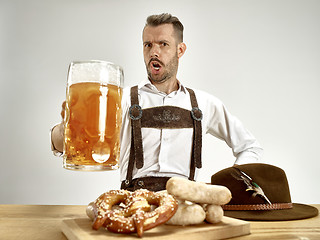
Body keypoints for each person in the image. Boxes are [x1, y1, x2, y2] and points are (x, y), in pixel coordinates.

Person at [51, 13, 263, 192]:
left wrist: (234, 186)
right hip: (132, 205)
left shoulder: (204, 103)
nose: (154, 51)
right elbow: (63, 147)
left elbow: (249, 146)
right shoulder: (120, 100)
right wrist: (66, 128)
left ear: (180, 50)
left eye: (163, 44)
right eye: (148, 44)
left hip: (187, 206)